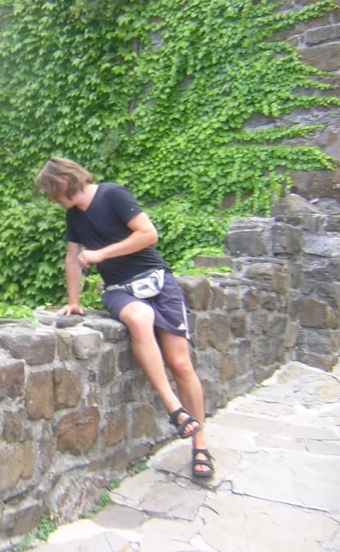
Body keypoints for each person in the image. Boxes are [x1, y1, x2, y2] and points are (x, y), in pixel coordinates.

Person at [35, 157, 214, 479]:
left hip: (158, 281)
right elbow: (73, 258)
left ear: (62, 182)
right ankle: (173, 406)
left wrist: (101, 254)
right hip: (119, 289)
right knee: (139, 316)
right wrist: (74, 302)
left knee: (182, 364)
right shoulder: (74, 217)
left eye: (51, 191)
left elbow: (148, 234)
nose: (51, 200)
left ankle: (199, 443)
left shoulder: (114, 195)